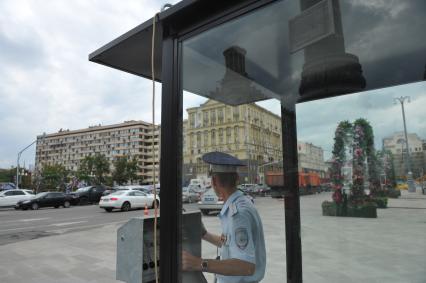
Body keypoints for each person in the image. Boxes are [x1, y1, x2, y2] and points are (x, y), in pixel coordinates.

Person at [182, 151, 266, 283]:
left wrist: (198, 263)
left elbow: (246, 266)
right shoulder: (240, 204)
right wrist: (205, 235)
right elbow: (231, 244)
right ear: (237, 178)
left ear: (214, 181)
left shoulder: (238, 214)